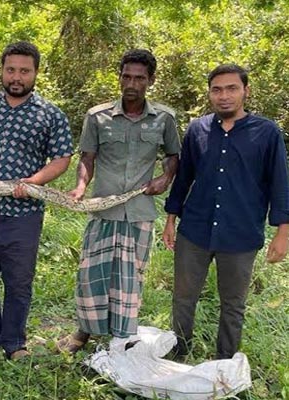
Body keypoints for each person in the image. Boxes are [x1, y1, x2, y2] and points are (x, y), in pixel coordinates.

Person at [56, 49, 180, 354]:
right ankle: (84, 332)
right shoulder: (97, 116)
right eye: (126, 76)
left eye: (139, 78)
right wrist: (81, 186)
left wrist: (165, 179)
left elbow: (174, 156)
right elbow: (87, 157)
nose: (132, 83)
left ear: (150, 81)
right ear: (119, 77)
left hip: (139, 212)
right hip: (103, 209)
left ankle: (122, 338)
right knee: (91, 274)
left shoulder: (164, 118)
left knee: (129, 279)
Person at [163, 64, 289, 359]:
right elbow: (184, 178)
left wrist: (283, 233)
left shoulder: (267, 132)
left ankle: (225, 364)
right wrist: (170, 219)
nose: (224, 96)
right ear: (209, 93)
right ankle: (177, 354)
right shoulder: (198, 129)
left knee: (233, 304)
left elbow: (280, 184)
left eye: (232, 88)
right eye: (217, 89)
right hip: (194, 229)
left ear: (246, 90)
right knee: (183, 298)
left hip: (241, 234)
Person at [0, 41, 73, 360]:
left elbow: (62, 157)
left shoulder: (49, 114)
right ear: (2, 70)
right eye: (11, 69)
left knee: (18, 280)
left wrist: (33, 181)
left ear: (36, 72)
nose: (17, 77)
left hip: (23, 212)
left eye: (24, 71)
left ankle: (14, 342)